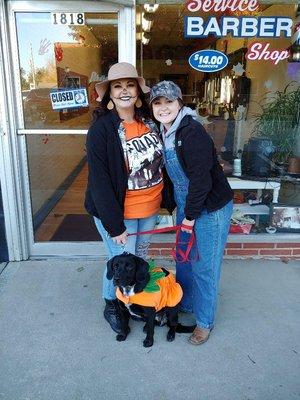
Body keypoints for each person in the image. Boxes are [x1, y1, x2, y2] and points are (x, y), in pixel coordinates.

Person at [150, 81, 234, 345]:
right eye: (158, 103)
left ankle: (204, 322)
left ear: (180, 104)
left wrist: (189, 216)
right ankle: (184, 304)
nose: (163, 108)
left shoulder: (192, 131)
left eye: (169, 102)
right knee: (184, 260)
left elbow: (201, 180)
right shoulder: (164, 132)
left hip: (209, 207)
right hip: (187, 204)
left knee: (204, 267)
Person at [85, 63, 163, 334]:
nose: (124, 91)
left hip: (150, 207)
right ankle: (112, 305)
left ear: (138, 91)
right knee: (120, 261)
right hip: (120, 212)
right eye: (117, 86)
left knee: (138, 260)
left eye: (129, 85)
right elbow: (100, 181)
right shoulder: (101, 130)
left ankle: (133, 301)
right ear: (109, 94)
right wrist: (114, 224)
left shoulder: (151, 122)